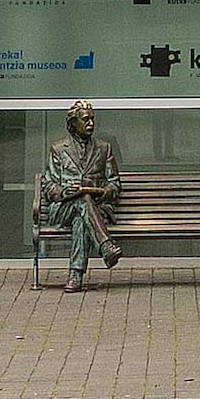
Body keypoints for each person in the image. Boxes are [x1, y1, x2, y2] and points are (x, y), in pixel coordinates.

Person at [37, 100, 123, 291]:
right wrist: (66, 191)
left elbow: (115, 183)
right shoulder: (58, 149)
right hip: (63, 209)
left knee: (81, 219)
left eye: (92, 119)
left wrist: (103, 191)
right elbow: (49, 186)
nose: (91, 123)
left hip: (95, 208)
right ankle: (106, 245)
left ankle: (75, 276)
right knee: (82, 201)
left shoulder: (104, 148)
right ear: (73, 123)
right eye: (85, 119)